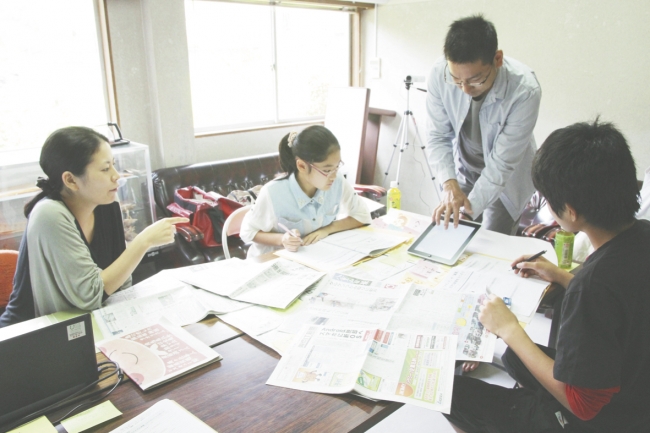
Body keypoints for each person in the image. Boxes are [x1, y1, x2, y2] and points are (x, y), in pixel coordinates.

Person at [444, 119, 650, 433]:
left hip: (609, 420)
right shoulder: (641, 235)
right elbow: (627, 299)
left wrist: (509, 328)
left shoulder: (592, 286)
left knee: (451, 393)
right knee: (516, 358)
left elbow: (584, 405)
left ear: (570, 211)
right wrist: (563, 277)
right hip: (636, 387)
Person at [0, 127, 187, 327]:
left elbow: (121, 286)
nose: (116, 176)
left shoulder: (106, 204)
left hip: (89, 326)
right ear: (71, 180)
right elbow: (90, 294)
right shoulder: (49, 215)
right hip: (30, 336)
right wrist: (144, 241)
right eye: (105, 169)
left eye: (114, 166)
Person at [426, 15, 541, 235]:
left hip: (505, 181)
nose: (465, 89)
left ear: (497, 59)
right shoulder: (439, 73)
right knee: (450, 235)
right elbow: (437, 136)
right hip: (465, 170)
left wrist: (468, 211)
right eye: (457, 81)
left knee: (491, 242)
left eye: (475, 80)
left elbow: (501, 165)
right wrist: (449, 186)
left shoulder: (525, 91)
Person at [240, 125, 371, 257]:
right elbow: (247, 231)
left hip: (317, 258)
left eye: (337, 166)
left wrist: (327, 229)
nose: (333, 175)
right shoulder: (273, 192)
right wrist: (282, 239)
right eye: (326, 170)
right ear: (302, 166)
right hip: (274, 260)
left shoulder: (337, 180)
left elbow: (362, 216)